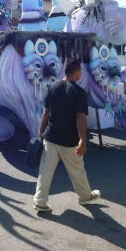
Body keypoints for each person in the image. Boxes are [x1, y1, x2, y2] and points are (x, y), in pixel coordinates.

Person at [33, 58, 100, 212]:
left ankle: (40, 201)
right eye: (80, 71)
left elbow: (46, 112)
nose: (81, 73)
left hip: (50, 137)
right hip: (69, 140)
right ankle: (85, 196)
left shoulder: (53, 86)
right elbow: (81, 117)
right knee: (77, 170)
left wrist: (41, 131)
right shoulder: (79, 92)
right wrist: (83, 140)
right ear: (76, 72)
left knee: (45, 171)